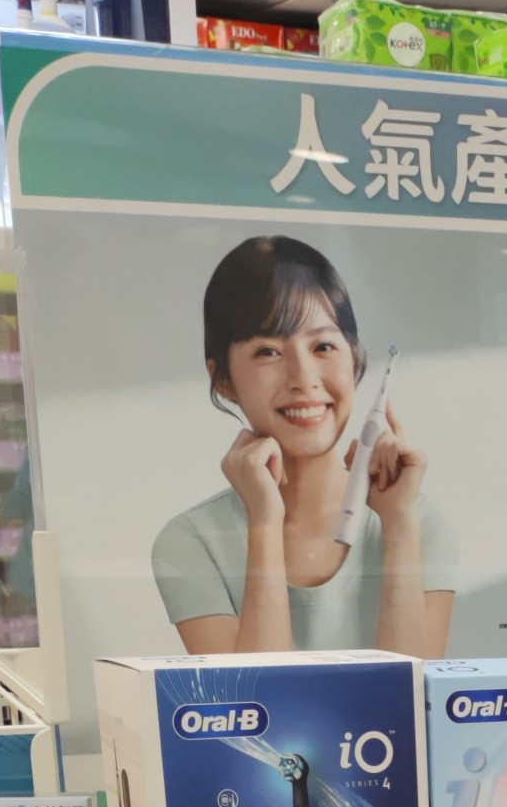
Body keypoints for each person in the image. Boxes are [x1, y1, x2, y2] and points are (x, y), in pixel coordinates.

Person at [153, 235, 455, 659]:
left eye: (323, 346)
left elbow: (411, 688)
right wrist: (264, 522)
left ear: (355, 358)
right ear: (223, 379)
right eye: (268, 351)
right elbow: (254, 696)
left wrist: (398, 522)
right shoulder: (190, 542)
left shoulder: (420, 521)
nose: (304, 378)